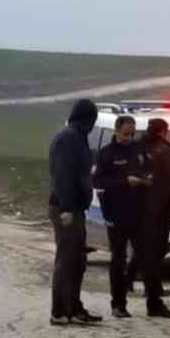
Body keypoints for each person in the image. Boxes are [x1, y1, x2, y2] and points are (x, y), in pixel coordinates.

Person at [49, 99, 102, 325]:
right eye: (91, 120)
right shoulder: (68, 139)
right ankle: (60, 311)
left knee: (77, 260)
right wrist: (68, 208)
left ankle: (73, 308)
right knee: (67, 260)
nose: (92, 125)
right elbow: (63, 177)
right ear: (86, 119)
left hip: (76, 208)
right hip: (66, 209)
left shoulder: (77, 137)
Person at [92, 115, 149, 318]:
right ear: (116, 131)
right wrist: (125, 181)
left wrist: (146, 180)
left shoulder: (137, 150)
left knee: (143, 253)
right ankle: (118, 304)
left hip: (138, 211)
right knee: (118, 258)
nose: (129, 137)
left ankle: (139, 291)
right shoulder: (106, 154)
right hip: (116, 212)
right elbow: (98, 180)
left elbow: (145, 170)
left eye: (132, 134)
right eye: (125, 134)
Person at [136, 117, 170, 318]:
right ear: (163, 131)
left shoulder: (139, 147)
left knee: (147, 253)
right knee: (154, 253)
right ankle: (154, 301)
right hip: (159, 209)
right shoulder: (164, 149)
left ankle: (151, 294)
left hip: (145, 209)